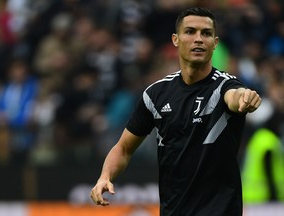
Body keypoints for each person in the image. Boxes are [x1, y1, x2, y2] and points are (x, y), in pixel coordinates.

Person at [90, 7, 262, 216]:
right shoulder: (155, 95)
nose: (198, 39)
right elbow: (124, 149)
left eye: (206, 33)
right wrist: (105, 176)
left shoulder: (224, 87)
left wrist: (245, 97)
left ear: (215, 43)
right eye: (190, 31)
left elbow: (235, 96)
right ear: (175, 39)